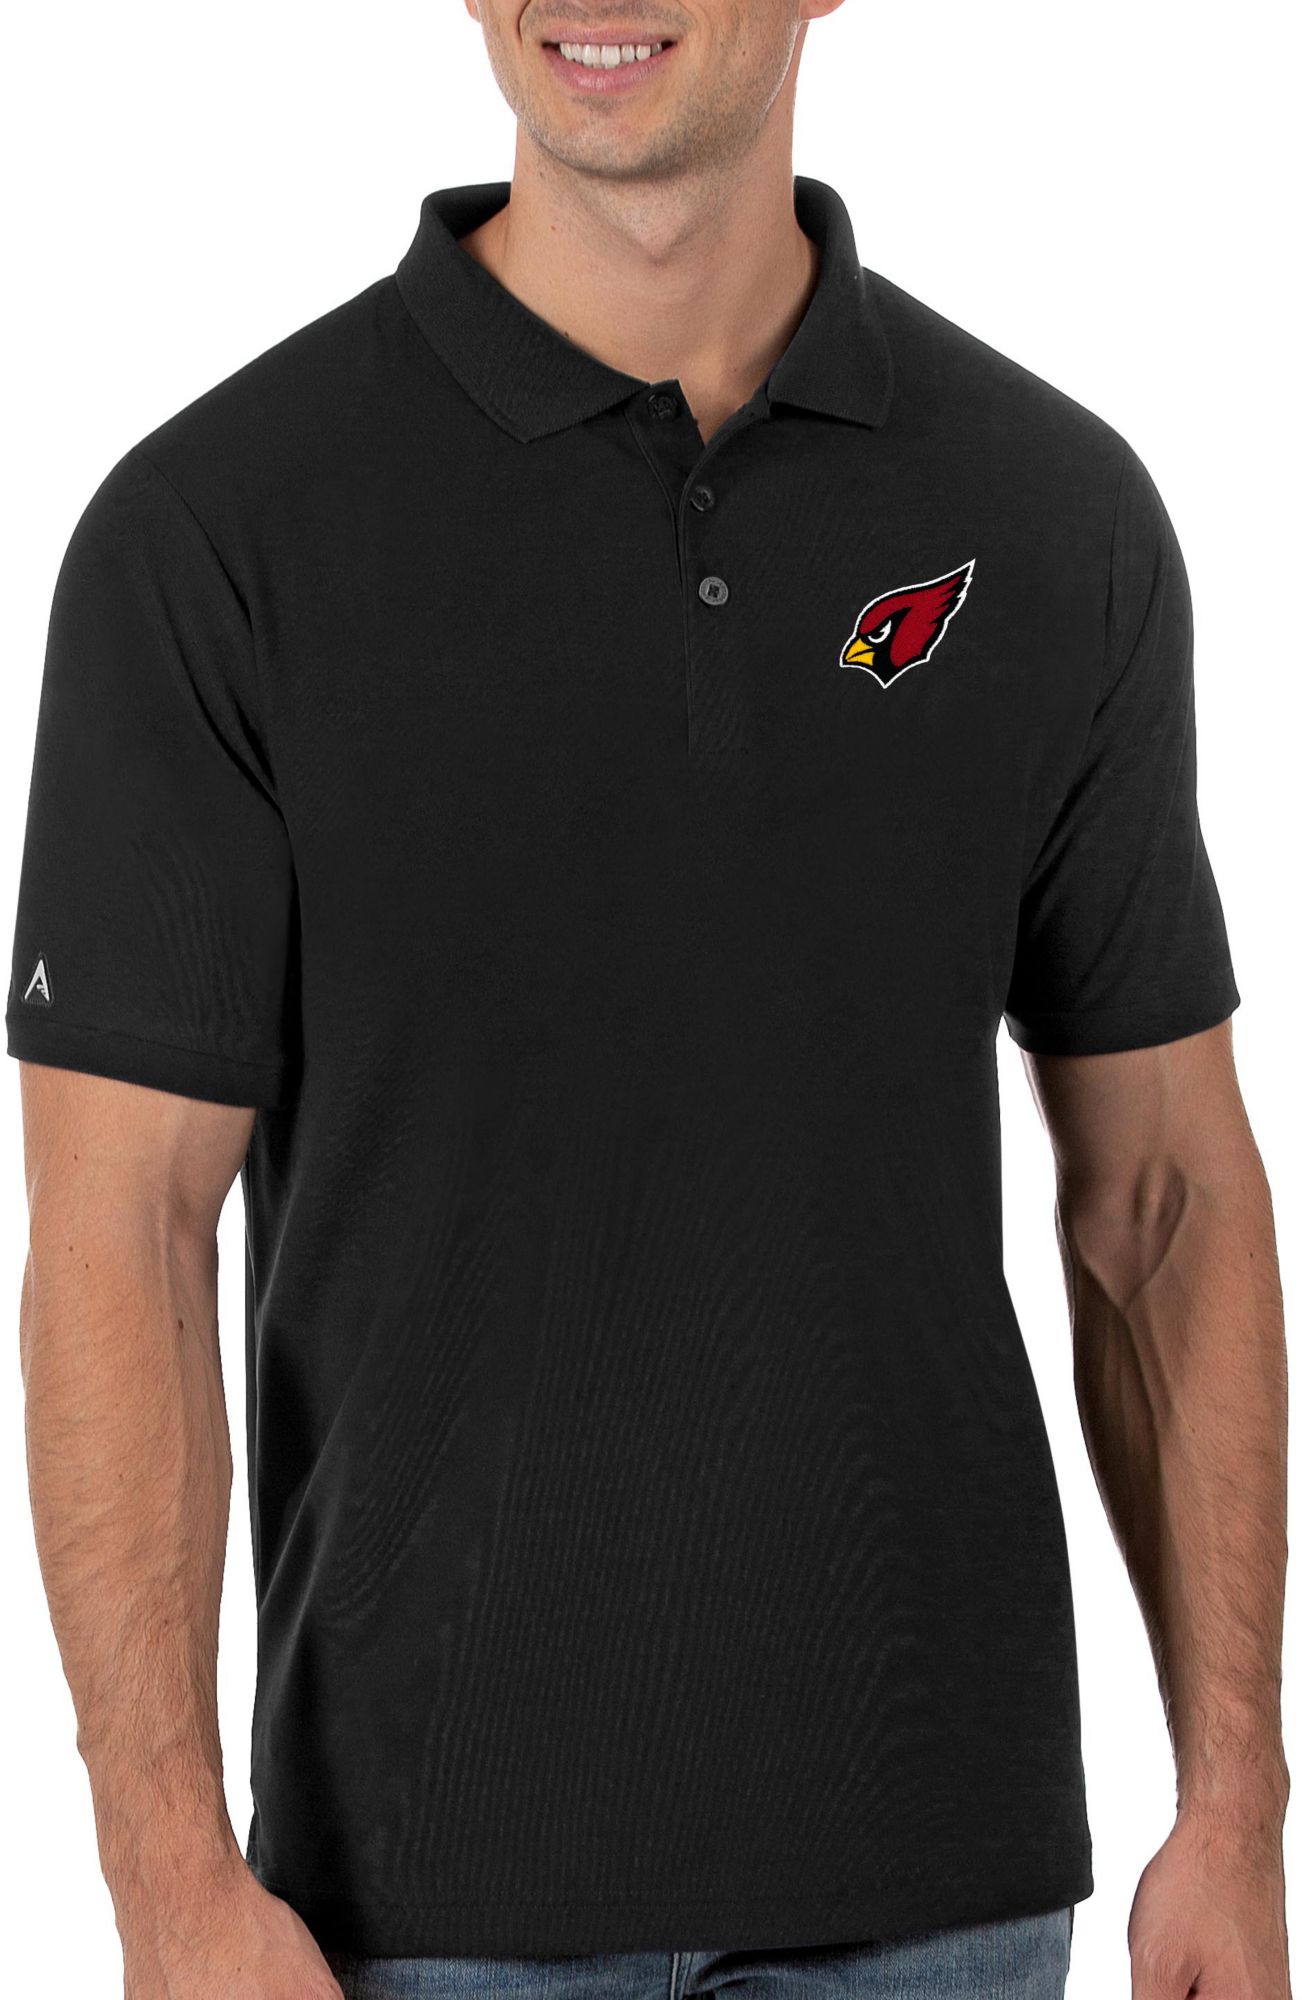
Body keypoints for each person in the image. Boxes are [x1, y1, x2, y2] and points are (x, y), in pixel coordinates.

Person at [8, 0, 1290, 1995]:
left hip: (941, 1898)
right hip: (410, 1916)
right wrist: (167, 1877)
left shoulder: (1049, 512)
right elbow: (119, 1234)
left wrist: (1233, 1812)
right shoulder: (216, 533)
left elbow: (1163, 1201)